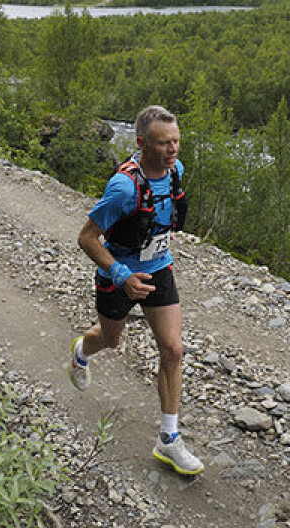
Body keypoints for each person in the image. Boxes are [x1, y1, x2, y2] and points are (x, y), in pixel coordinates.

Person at [68, 105, 203, 476]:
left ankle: (169, 439)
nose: (173, 149)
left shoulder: (176, 170)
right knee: (111, 340)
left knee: (174, 349)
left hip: (159, 268)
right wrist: (122, 274)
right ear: (142, 143)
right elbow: (86, 238)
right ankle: (82, 352)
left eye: (176, 140)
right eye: (163, 143)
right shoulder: (123, 187)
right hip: (119, 274)